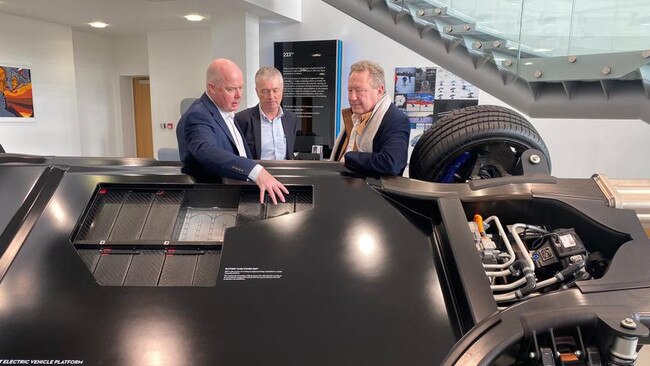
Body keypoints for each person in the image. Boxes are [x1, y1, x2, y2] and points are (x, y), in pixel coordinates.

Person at [176, 58, 288, 204]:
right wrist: (256, 171)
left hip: (238, 198)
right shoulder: (198, 115)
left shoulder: (225, 111)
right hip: (213, 203)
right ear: (212, 88)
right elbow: (205, 149)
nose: (238, 95)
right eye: (231, 89)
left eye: (240, 88)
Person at [331, 60, 409, 176]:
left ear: (379, 91)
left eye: (360, 90)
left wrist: (349, 156)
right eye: (350, 90)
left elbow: (391, 163)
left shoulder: (396, 119)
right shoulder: (353, 117)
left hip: (372, 193)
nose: (352, 97)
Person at [235, 66, 298, 160]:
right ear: (257, 92)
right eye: (265, 91)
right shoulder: (241, 120)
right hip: (256, 173)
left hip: (284, 173)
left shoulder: (291, 119)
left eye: (275, 90)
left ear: (282, 90)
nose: (271, 96)